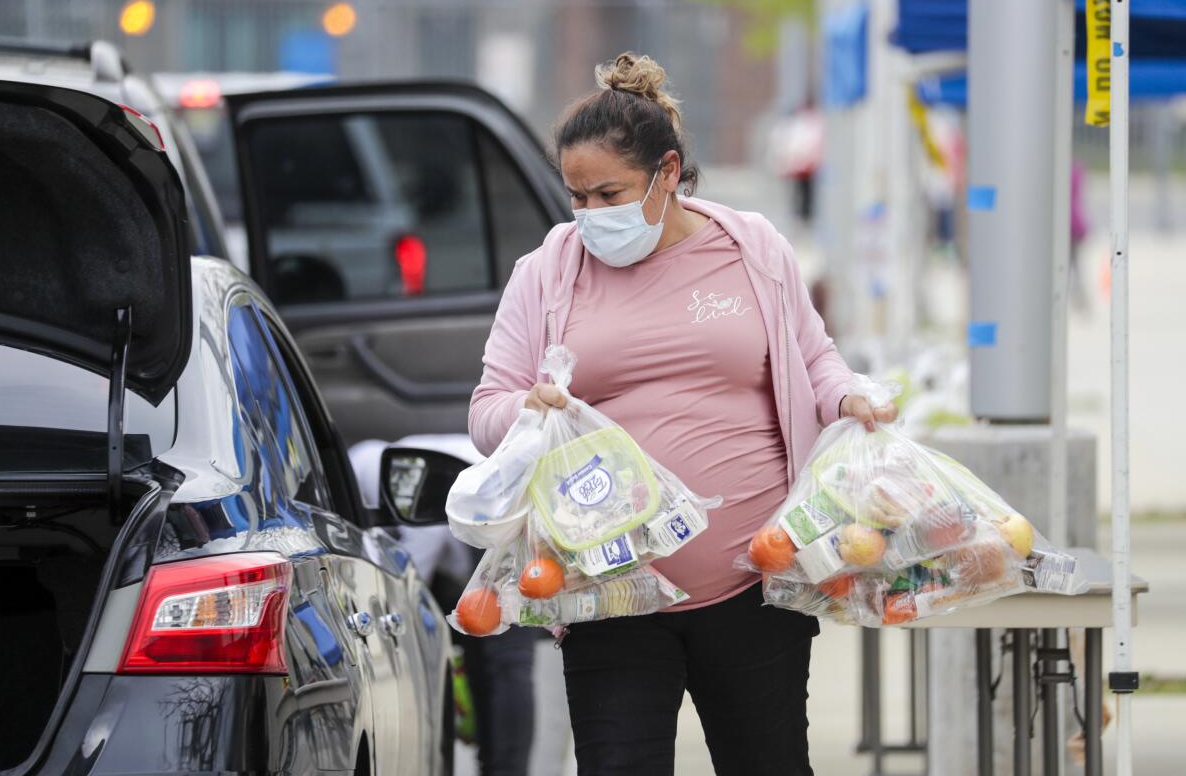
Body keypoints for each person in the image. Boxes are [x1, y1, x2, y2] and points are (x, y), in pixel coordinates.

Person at [468, 52, 897, 776]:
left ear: (667, 173)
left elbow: (813, 358)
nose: (590, 216)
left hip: (754, 579)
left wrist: (848, 396)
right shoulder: (547, 272)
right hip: (608, 590)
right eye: (576, 197)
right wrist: (527, 409)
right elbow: (486, 410)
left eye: (610, 194)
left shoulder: (751, 249)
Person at [346, 438, 540, 776]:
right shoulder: (374, 460)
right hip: (498, 500)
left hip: (503, 511)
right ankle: (496, 761)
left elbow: (420, 552)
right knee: (490, 661)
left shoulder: (382, 477)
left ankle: (506, 768)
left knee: (507, 662)